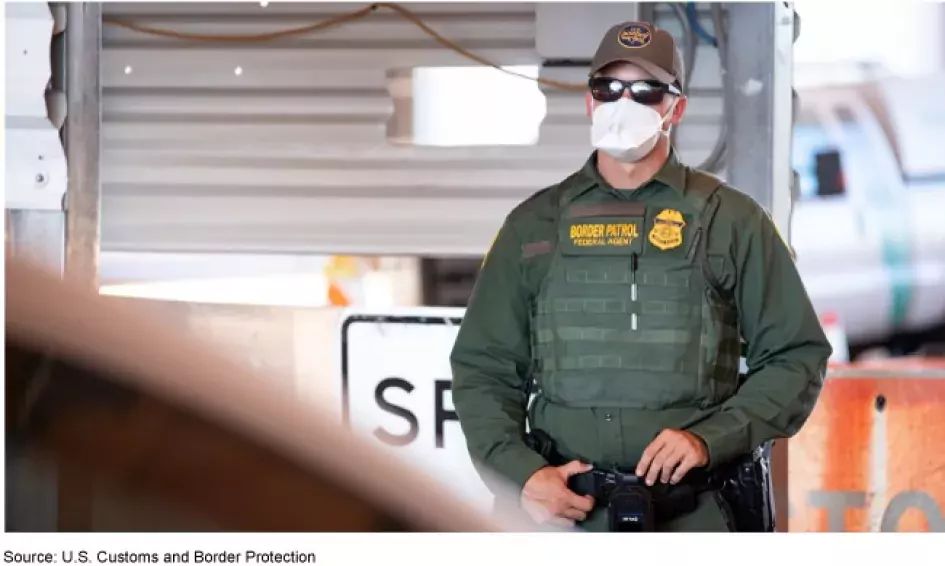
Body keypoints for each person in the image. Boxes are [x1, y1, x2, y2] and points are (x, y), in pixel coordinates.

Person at [450, 20, 832, 532]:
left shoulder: (732, 221)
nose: (622, 103)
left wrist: (708, 439)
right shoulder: (533, 225)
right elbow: (483, 367)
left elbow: (796, 357)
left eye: (646, 91)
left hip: (693, 515)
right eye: (608, 88)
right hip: (565, 517)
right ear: (589, 102)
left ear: (675, 109)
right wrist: (522, 476)